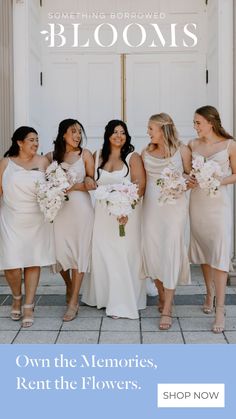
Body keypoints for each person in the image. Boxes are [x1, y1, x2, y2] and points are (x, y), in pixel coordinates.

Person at [82, 119, 146, 319]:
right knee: (103, 253)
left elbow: (140, 186)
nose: (119, 136)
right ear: (107, 134)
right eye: (115, 132)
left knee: (122, 254)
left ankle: (122, 301)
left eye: (123, 132)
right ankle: (104, 297)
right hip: (102, 215)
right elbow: (89, 179)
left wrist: (126, 208)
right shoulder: (97, 155)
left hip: (126, 214)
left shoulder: (133, 157)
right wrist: (87, 179)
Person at [0, 126, 55, 327]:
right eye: (31, 140)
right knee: (11, 264)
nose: (35, 143)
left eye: (37, 140)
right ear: (19, 142)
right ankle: (16, 296)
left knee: (33, 261)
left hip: (36, 220)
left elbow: (54, 187)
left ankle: (29, 305)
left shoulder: (43, 162)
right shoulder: (6, 163)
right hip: (11, 218)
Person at [189, 105, 236, 333]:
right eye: (194, 123)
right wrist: (190, 179)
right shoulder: (192, 145)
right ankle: (208, 293)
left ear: (210, 122)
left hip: (218, 206)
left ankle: (220, 309)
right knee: (204, 250)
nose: (195, 127)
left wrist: (217, 179)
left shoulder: (229, 144)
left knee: (218, 251)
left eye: (198, 122)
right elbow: (188, 173)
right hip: (197, 204)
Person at [142, 113, 191, 330]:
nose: (148, 132)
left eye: (151, 128)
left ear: (163, 130)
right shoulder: (146, 151)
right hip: (151, 207)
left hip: (174, 208)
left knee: (170, 249)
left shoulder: (182, 150)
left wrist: (181, 183)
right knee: (153, 250)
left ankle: (168, 307)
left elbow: (192, 178)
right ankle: (161, 293)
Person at [48, 119, 94, 321]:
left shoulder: (85, 154)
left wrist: (71, 186)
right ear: (63, 134)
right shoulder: (50, 157)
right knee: (60, 253)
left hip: (81, 210)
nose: (77, 135)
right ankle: (68, 284)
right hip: (60, 211)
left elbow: (92, 183)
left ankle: (74, 301)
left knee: (79, 253)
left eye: (79, 132)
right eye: (73, 131)